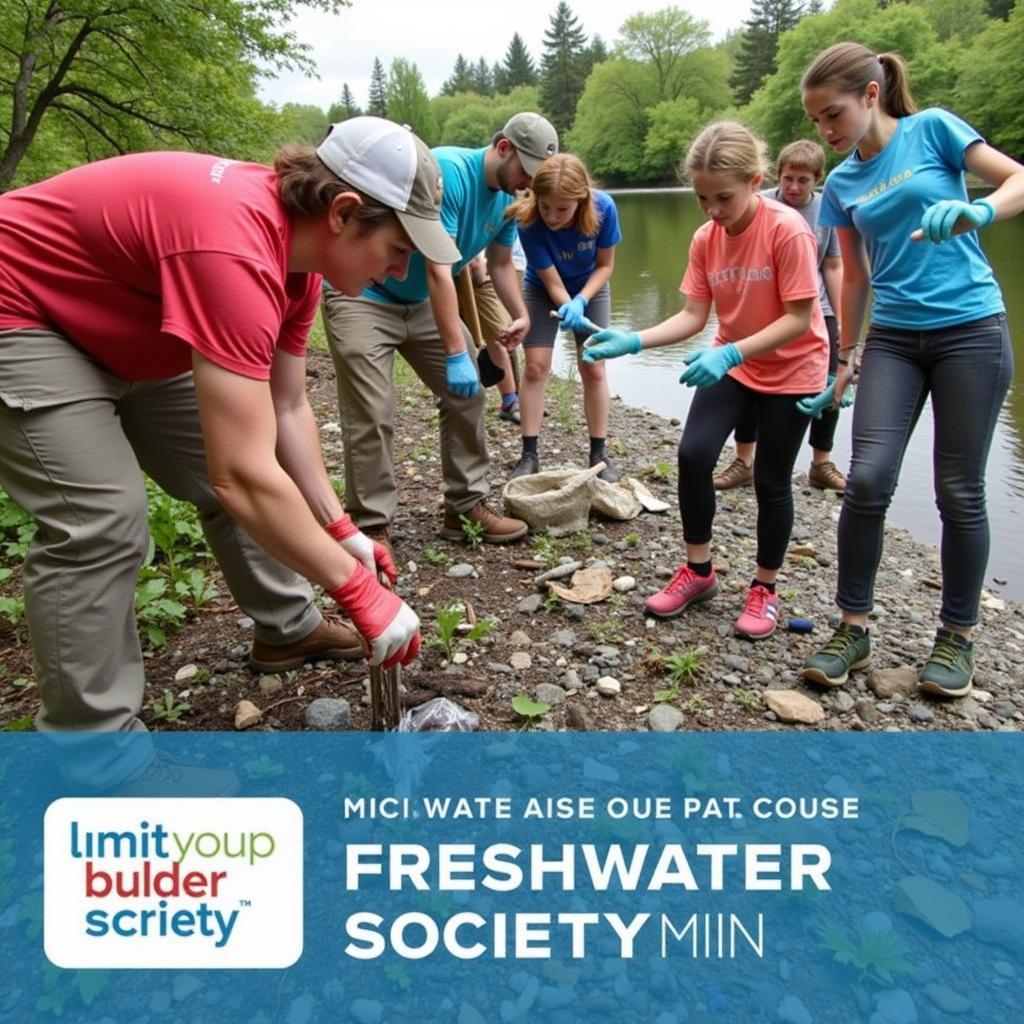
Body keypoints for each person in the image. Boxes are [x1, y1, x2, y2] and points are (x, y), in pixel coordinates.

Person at [0, 117, 443, 787]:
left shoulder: (299, 266)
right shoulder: (233, 248)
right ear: (344, 213)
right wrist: (356, 590)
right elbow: (243, 474)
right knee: (102, 521)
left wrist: (339, 529)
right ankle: (99, 763)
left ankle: (287, 627)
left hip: (125, 321)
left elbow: (286, 408)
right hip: (24, 308)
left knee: (242, 458)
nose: (402, 272)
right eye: (399, 249)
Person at [798, 43, 1023, 697]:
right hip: (893, 338)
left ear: (871, 96)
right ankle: (854, 628)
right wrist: (843, 360)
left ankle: (957, 638)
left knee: (959, 489)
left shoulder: (935, 130)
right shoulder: (840, 184)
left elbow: (1015, 180)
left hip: (971, 330)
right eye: (815, 121)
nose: (826, 131)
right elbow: (855, 277)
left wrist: (980, 209)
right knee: (866, 478)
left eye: (832, 114)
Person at [583, 122, 828, 640]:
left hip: (793, 367)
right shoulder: (705, 238)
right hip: (734, 361)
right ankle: (699, 572)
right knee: (693, 454)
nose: (713, 210)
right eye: (701, 198)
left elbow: (799, 318)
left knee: (770, 479)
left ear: (756, 180)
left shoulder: (788, 230)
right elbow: (695, 316)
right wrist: (633, 340)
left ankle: (765, 588)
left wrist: (733, 350)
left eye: (724, 198)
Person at [322, 113, 559, 554]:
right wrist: (455, 350)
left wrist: (519, 313)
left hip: (424, 303)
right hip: (365, 295)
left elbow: (502, 264)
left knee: (468, 394)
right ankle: (371, 527)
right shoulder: (449, 171)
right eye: (525, 168)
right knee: (372, 408)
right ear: (502, 147)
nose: (528, 182)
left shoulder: (509, 197)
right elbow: (437, 267)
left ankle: (464, 506)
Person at [715, 139, 848, 493]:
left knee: (831, 383)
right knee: (745, 376)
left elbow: (833, 265)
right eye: (788, 178)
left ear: (817, 179)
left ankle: (822, 463)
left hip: (816, 308)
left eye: (803, 180)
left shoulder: (827, 210)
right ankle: (744, 460)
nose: (793, 187)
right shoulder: (760, 205)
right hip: (766, 309)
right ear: (776, 176)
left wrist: (843, 319)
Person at [505, 153, 623, 483]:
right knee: (535, 366)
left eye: (562, 209)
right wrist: (567, 303)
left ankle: (598, 454)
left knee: (594, 366)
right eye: (546, 207)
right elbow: (549, 277)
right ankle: (529, 454)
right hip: (544, 288)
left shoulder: (604, 209)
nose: (552, 216)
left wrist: (582, 301)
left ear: (580, 199)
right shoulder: (528, 220)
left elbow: (606, 266)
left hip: (591, 287)